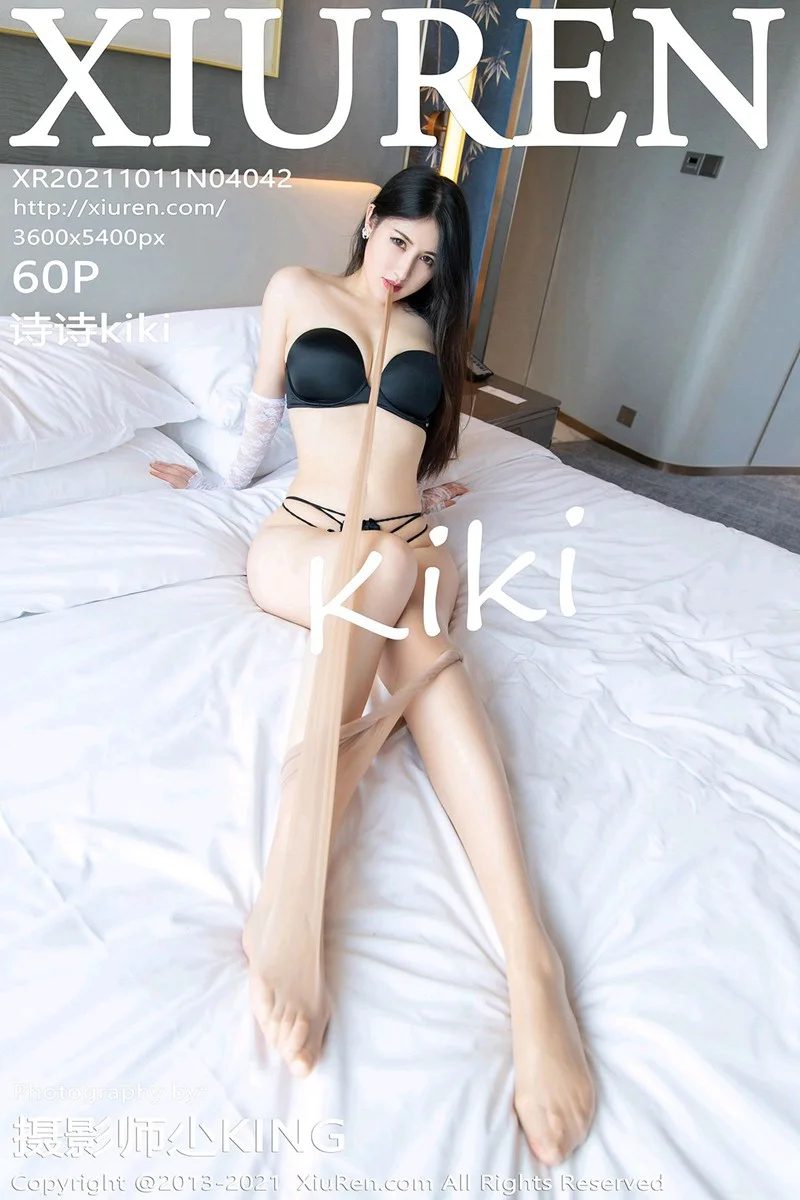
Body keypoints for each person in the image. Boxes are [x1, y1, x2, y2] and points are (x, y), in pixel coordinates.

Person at [148, 165, 595, 1168]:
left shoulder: (431, 335)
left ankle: (530, 968)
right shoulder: (295, 290)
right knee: (396, 593)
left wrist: (429, 494)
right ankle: (318, 887)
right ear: (369, 221)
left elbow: (412, 452)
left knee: (408, 592)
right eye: (398, 243)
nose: (405, 271)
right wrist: (207, 481)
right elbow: (259, 427)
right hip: (304, 541)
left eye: (428, 262)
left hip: (405, 543)